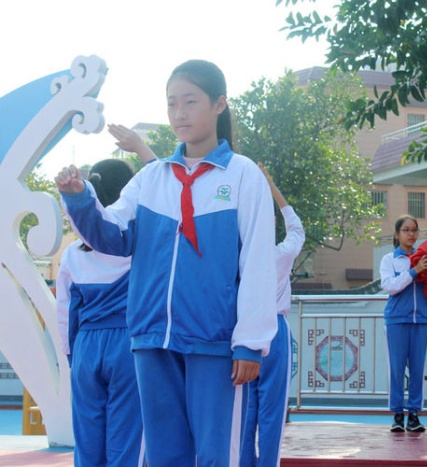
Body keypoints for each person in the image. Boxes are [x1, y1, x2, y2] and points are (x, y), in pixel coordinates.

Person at [55, 59, 278, 467]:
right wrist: (79, 198)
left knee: (217, 456)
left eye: (190, 101)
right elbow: (111, 236)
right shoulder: (153, 178)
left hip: (215, 341)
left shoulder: (243, 176)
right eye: (172, 103)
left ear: (219, 104)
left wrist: (250, 341)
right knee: (163, 456)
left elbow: (259, 262)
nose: (179, 113)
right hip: (151, 341)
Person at [56, 158, 146, 467]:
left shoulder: (71, 254)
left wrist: (73, 357)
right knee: (127, 441)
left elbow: (65, 312)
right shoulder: (139, 247)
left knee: (87, 439)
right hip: (129, 345)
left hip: (86, 346)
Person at [241, 162, 305, 467]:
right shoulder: (281, 254)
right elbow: (296, 227)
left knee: (244, 409)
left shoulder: (238, 258)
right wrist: (271, 185)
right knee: (272, 411)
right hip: (275, 330)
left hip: (243, 331)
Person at [380, 214, 427, 433]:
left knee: (417, 369)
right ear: (397, 234)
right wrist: (414, 271)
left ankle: (414, 414)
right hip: (397, 320)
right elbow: (390, 286)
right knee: (396, 368)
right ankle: (397, 414)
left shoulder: (424, 258)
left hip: (421, 320)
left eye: (414, 230)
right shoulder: (390, 259)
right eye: (406, 230)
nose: (411, 234)